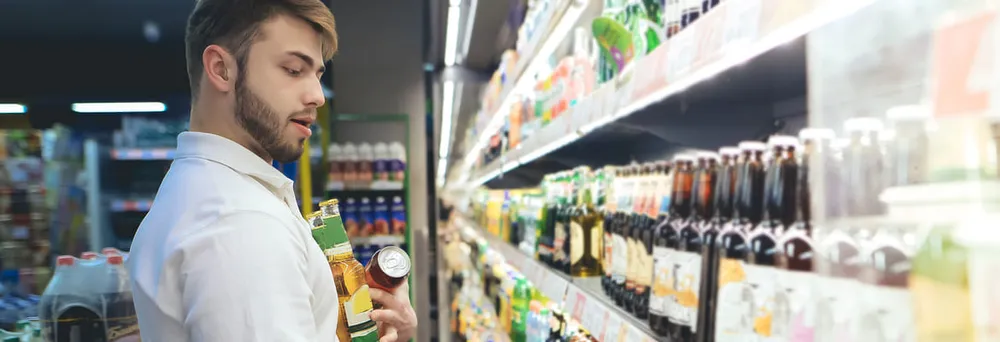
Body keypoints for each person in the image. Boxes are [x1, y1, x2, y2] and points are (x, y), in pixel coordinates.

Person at [126, 0, 417, 341]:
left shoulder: (198, 190)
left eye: (317, 75)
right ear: (221, 69)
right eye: (293, 70)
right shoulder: (240, 225)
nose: (318, 96)